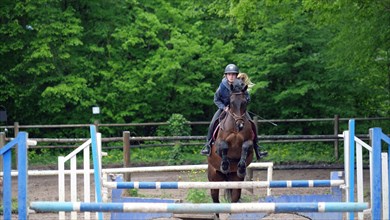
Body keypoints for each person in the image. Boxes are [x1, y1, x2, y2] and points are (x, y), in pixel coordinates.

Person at [200, 64, 264, 160]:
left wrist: (243, 103)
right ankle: (208, 145)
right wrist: (223, 107)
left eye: (233, 75)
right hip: (224, 108)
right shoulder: (222, 86)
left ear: (236, 75)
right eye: (229, 74)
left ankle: (257, 148)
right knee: (213, 123)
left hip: (238, 110)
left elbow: (248, 97)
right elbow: (216, 99)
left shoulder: (240, 84)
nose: (231, 76)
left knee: (252, 124)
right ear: (226, 75)